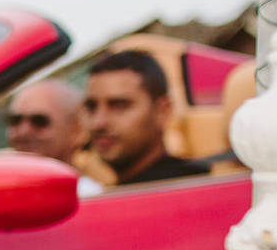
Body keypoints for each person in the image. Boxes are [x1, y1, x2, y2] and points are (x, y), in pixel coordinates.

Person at [83, 50, 210, 186]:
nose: (98, 122)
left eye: (119, 106)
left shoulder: (193, 188)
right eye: (91, 107)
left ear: (163, 111)